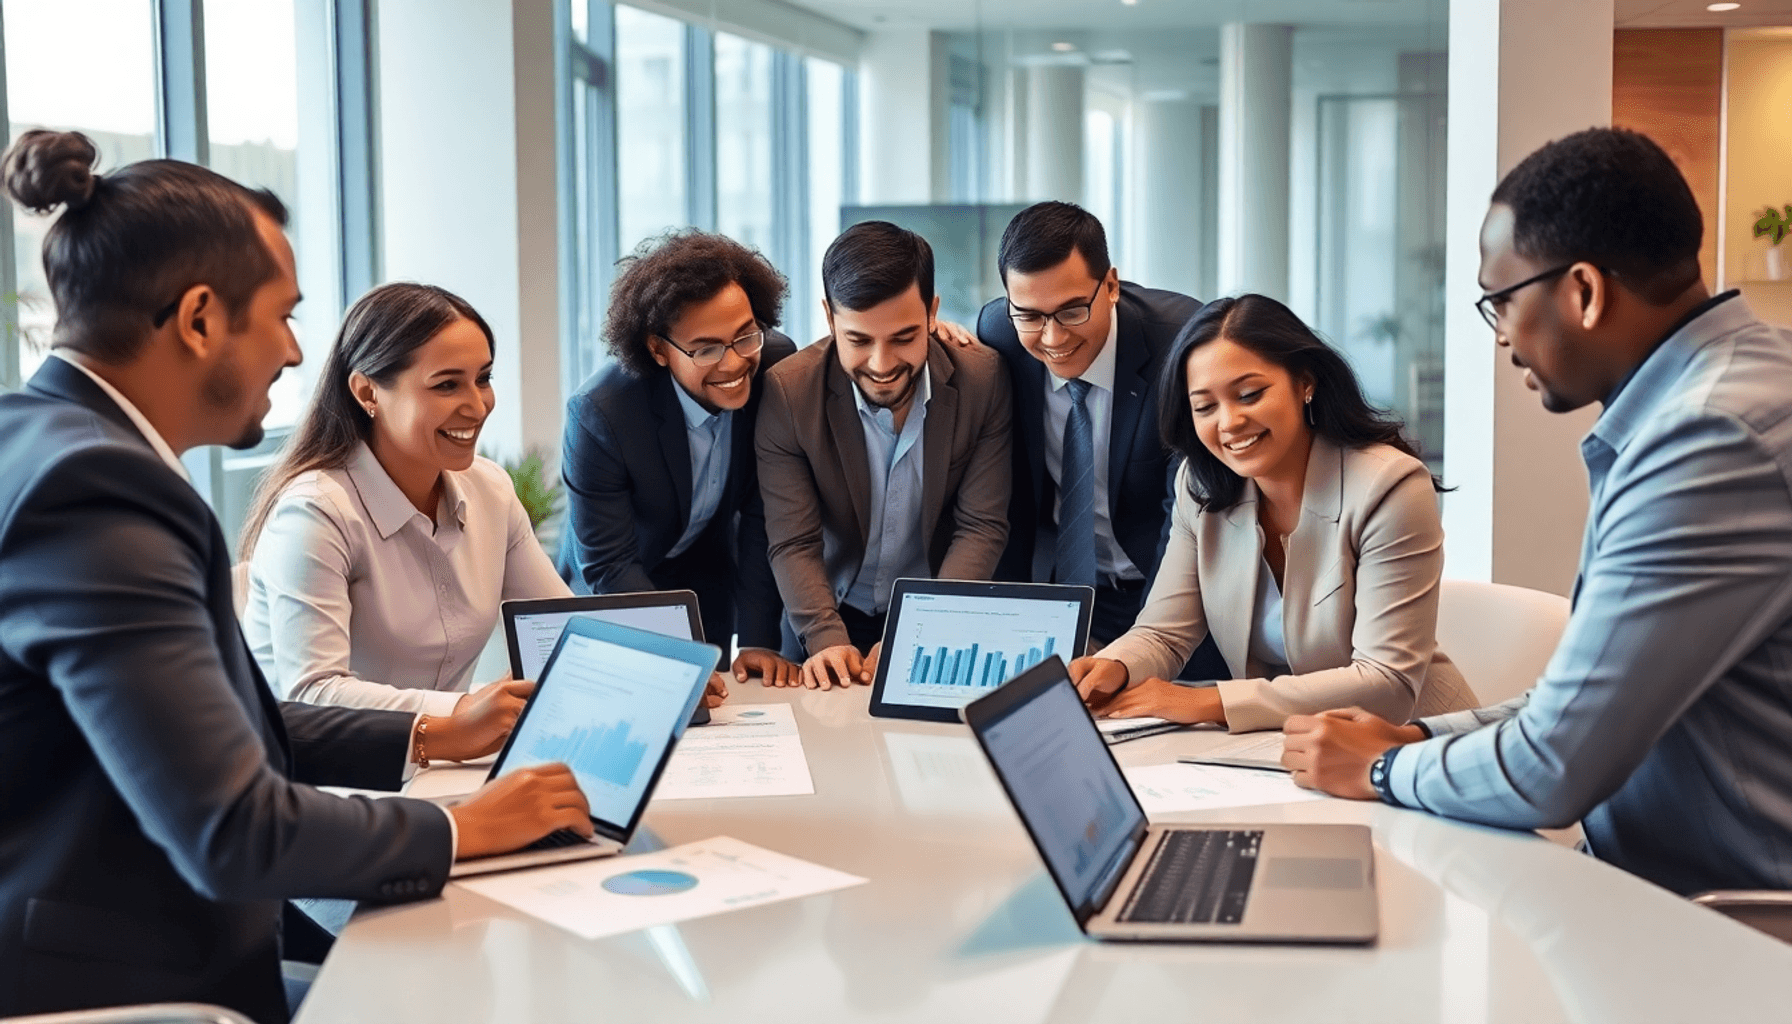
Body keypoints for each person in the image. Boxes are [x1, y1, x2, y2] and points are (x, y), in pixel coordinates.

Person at [0, 131, 589, 1023]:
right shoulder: (98, 488)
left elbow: (215, 724)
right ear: (200, 319)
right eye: (282, 316)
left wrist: (427, 740)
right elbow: (232, 829)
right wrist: (465, 824)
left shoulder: (46, 442)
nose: (289, 352)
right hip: (123, 982)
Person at [1279, 127, 1792, 897]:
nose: (1503, 337)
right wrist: (1416, 736)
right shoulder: (1754, 374)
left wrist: (1380, 768)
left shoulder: (1704, 440)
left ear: (1583, 291)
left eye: (1502, 301)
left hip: (1723, 923)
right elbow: (1586, 702)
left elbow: (1554, 767)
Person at [1070, 294, 1478, 733]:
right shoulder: (1200, 485)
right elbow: (1164, 633)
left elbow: (1388, 683)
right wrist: (1114, 666)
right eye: (1205, 406)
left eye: (1249, 394)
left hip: (1412, 748)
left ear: (1305, 383)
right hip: (1283, 749)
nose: (1228, 423)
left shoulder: (1390, 486)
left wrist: (1208, 702)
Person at [756, 221, 1014, 690]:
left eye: (902, 337)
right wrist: (825, 638)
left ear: (932, 312)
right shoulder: (789, 393)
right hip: (823, 620)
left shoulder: (982, 380)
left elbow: (981, 526)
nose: (881, 363)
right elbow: (793, 540)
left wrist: (924, 628)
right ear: (830, 318)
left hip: (938, 612)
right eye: (858, 340)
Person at [976, 201, 1224, 678]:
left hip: (1168, 591)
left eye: (1071, 310)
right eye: (1028, 314)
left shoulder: (1180, 343)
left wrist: (1150, 642)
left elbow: (1188, 502)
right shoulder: (999, 335)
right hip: (1056, 596)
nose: (1051, 337)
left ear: (1110, 285)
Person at [557, 230, 798, 686]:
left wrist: (758, 639)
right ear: (658, 349)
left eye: (745, 336)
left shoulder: (773, 366)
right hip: (615, 590)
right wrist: (671, 656)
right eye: (706, 348)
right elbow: (609, 565)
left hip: (703, 579)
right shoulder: (600, 414)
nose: (733, 364)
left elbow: (762, 516)